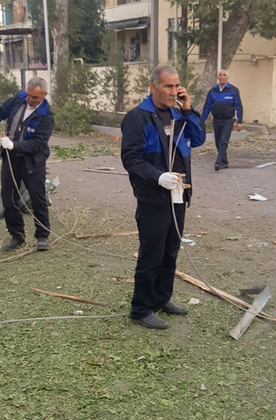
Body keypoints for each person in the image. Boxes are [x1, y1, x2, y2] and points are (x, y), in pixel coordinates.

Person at [121, 65, 206, 329]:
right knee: (152, 254)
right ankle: (141, 309)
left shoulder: (178, 115)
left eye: (176, 86)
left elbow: (199, 138)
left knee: (171, 250)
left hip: (179, 194)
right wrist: (158, 176)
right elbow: (131, 158)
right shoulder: (138, 118)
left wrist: (188, 109)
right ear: (153, 86)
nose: (173, 91)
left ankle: (161, 298)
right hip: (153, 197)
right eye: (168, 86)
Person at [0, 77, 54, 251]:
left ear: (44, 95)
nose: (31, 100)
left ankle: (42, 235)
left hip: (33, 161)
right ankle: (17, 235)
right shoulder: (18, 99)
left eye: (35, 98)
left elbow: (38, 143)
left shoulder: (47, 116)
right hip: (10, 159)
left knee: (38, 199)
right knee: (9, 199)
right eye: (30, 96)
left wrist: (15, 145)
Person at [202, 69, 243, 171]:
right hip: (216, 120)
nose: (222, 76)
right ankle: (224, 162)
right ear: (217, 77)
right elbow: (207, 106)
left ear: (227, 77)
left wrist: (240, 121)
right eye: (220, 75)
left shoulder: (233, 90)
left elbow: (239, 106)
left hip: (228, 120)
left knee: (223, 142)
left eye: (224, 75)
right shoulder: (212, 91)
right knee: (218, 142)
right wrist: (202, 120)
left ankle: (218, 162)